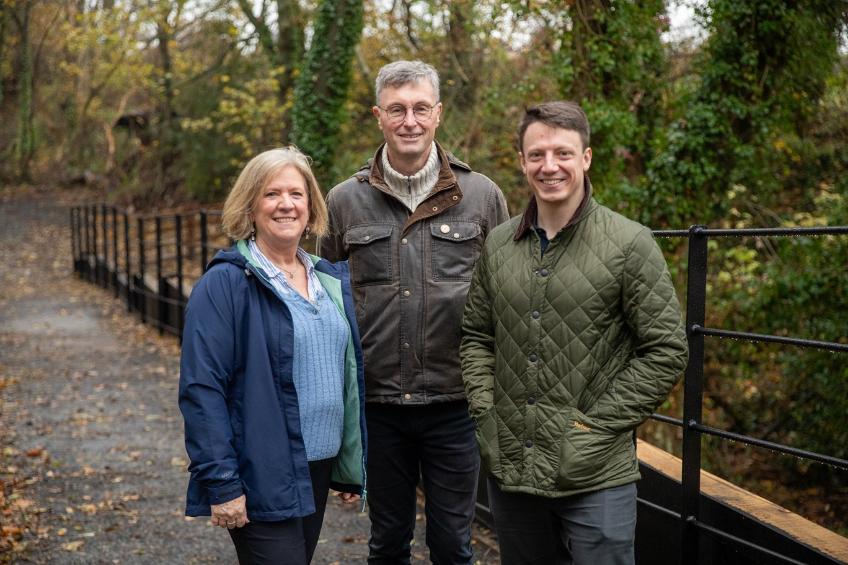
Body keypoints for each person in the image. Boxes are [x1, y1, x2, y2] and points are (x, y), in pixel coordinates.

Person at [460, 101, 689, 565]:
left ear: (585, 158)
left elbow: (665, 349)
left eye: (563, 153)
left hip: (595, 472)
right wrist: (486, 413)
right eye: (537, 154)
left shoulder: (629, 243)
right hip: (512, 466)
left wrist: (594, 427)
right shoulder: (500, 244)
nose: (550, 166)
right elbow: (477, 337)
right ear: (522, 162)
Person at [317, 60, 508, 564]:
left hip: (455, 403)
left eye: (421, 108)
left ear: (438, 113)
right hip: (377, 405)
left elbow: (507, 298)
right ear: (378, 116)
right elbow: (324, 304)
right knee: (387, 542)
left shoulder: (482, 196)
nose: (410, 121)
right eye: (397, 110)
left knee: (452, 543)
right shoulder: (344, 201)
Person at [178, 146, 366, 565]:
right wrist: (222, 483)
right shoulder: (226, 285)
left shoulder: (327, 278)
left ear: (311, 204)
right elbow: (201, 389)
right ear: (250, 206)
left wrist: (350, 460)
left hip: (316, 467)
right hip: (261, 468)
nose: (286, 204)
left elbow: (346, 375)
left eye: (297, 194)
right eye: (271, 194)